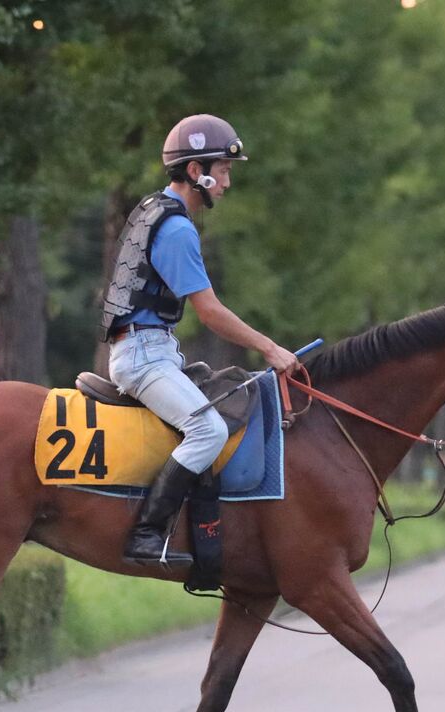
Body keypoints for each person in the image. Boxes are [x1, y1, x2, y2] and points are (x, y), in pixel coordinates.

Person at [101, 114, 300, 567]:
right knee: (207, 429)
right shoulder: (175, 229)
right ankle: (147, 535)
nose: (227, 183)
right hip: (143, 357)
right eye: (224, 171)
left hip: (155, 350)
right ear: (197, 172)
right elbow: (209, 312)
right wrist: (269, 348)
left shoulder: (154, 208)